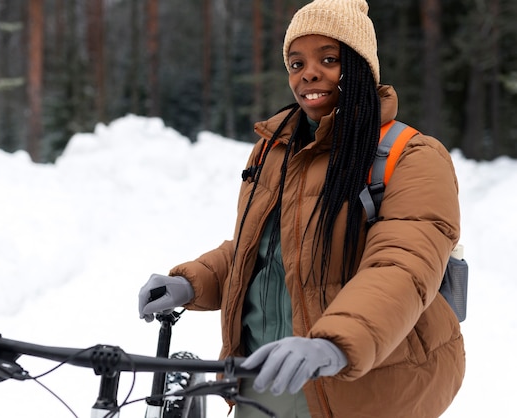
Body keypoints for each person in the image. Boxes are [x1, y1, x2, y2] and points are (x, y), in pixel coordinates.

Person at [138, 0, 465, 416]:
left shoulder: (410, 155)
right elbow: (260, 251)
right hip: (265, 377)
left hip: (367, 387)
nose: (308, 72)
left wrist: (333, 343)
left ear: (362, 67)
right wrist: (193, 282)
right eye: (296, 63)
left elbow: (401, 268)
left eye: (329, 59)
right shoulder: (274, 149)